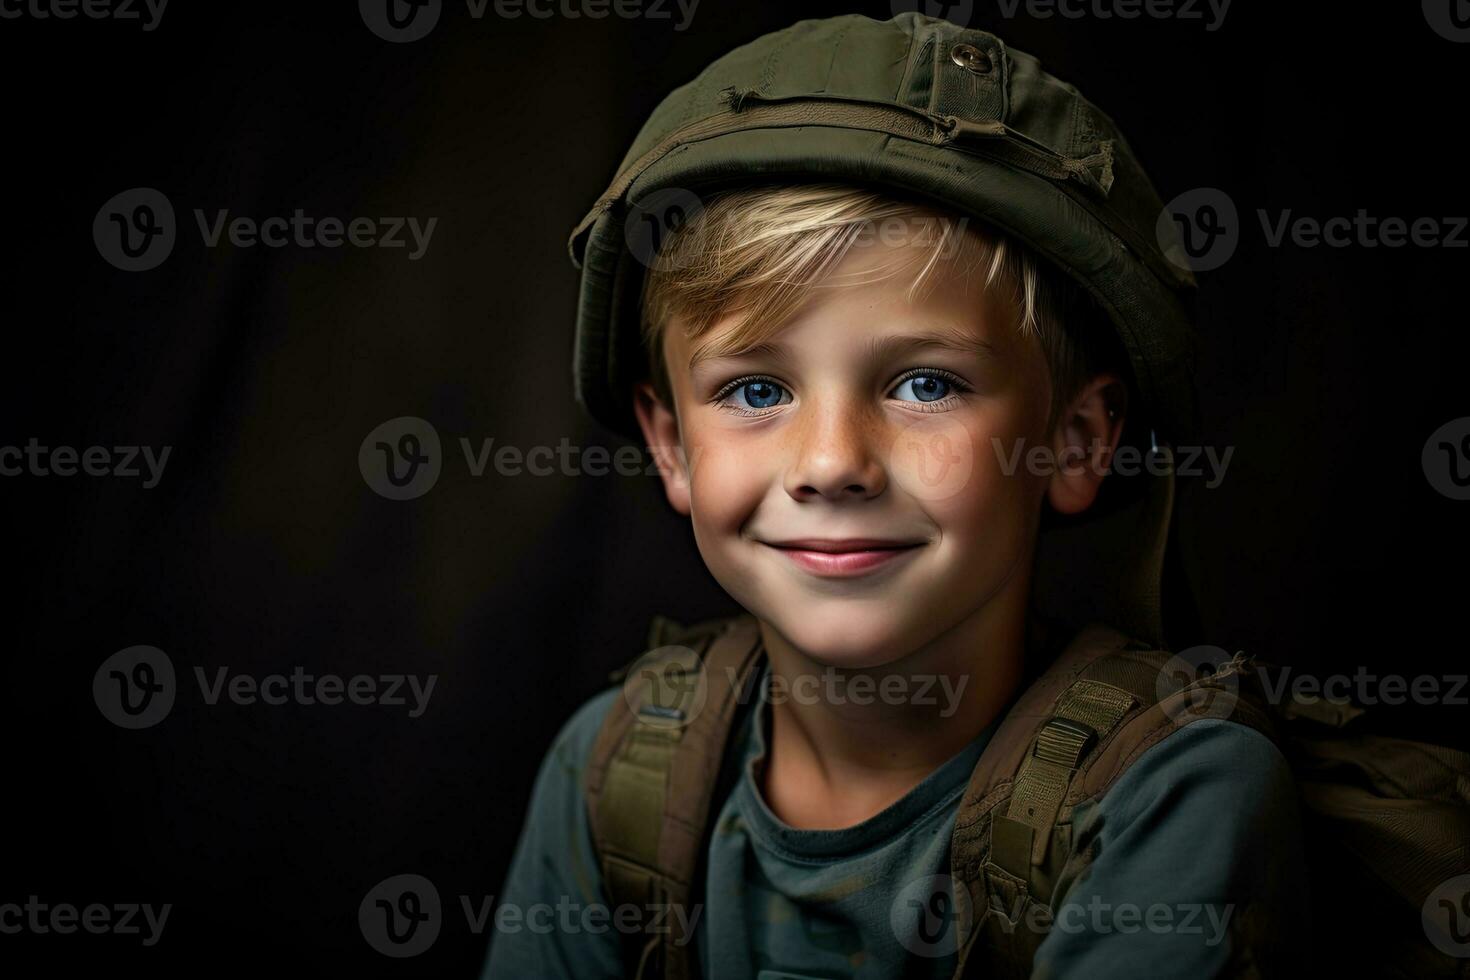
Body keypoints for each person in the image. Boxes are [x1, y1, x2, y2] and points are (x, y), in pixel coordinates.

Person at [485, 13, 1308, 978]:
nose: (832, 463)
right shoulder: (612, 772)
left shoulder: (1170, 795)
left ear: (1074, 442)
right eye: (756, 391)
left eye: (926, 384)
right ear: (672, 445)